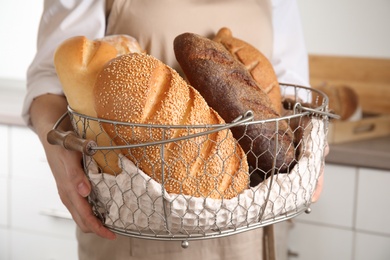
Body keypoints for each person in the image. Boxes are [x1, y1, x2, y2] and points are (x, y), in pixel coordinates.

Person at [23, 0, 325, 259]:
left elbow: (291, 90)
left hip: (259, 218)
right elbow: (49, 80)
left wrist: (312, 149)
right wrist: (58, 155)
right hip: (143, 219)